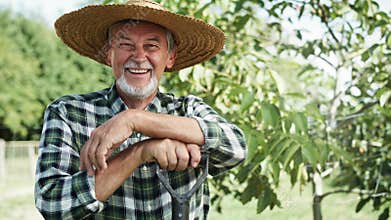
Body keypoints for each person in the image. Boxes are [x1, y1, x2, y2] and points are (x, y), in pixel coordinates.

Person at [34, 0, 246, 219]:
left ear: (170, 57)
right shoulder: (68, 113)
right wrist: (140, 152)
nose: (138, 57)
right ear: (109, 54)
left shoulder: (187, 110)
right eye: (126, 45)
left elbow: (237, 147)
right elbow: (52, 205)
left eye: (152, 46)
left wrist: (133, 119)